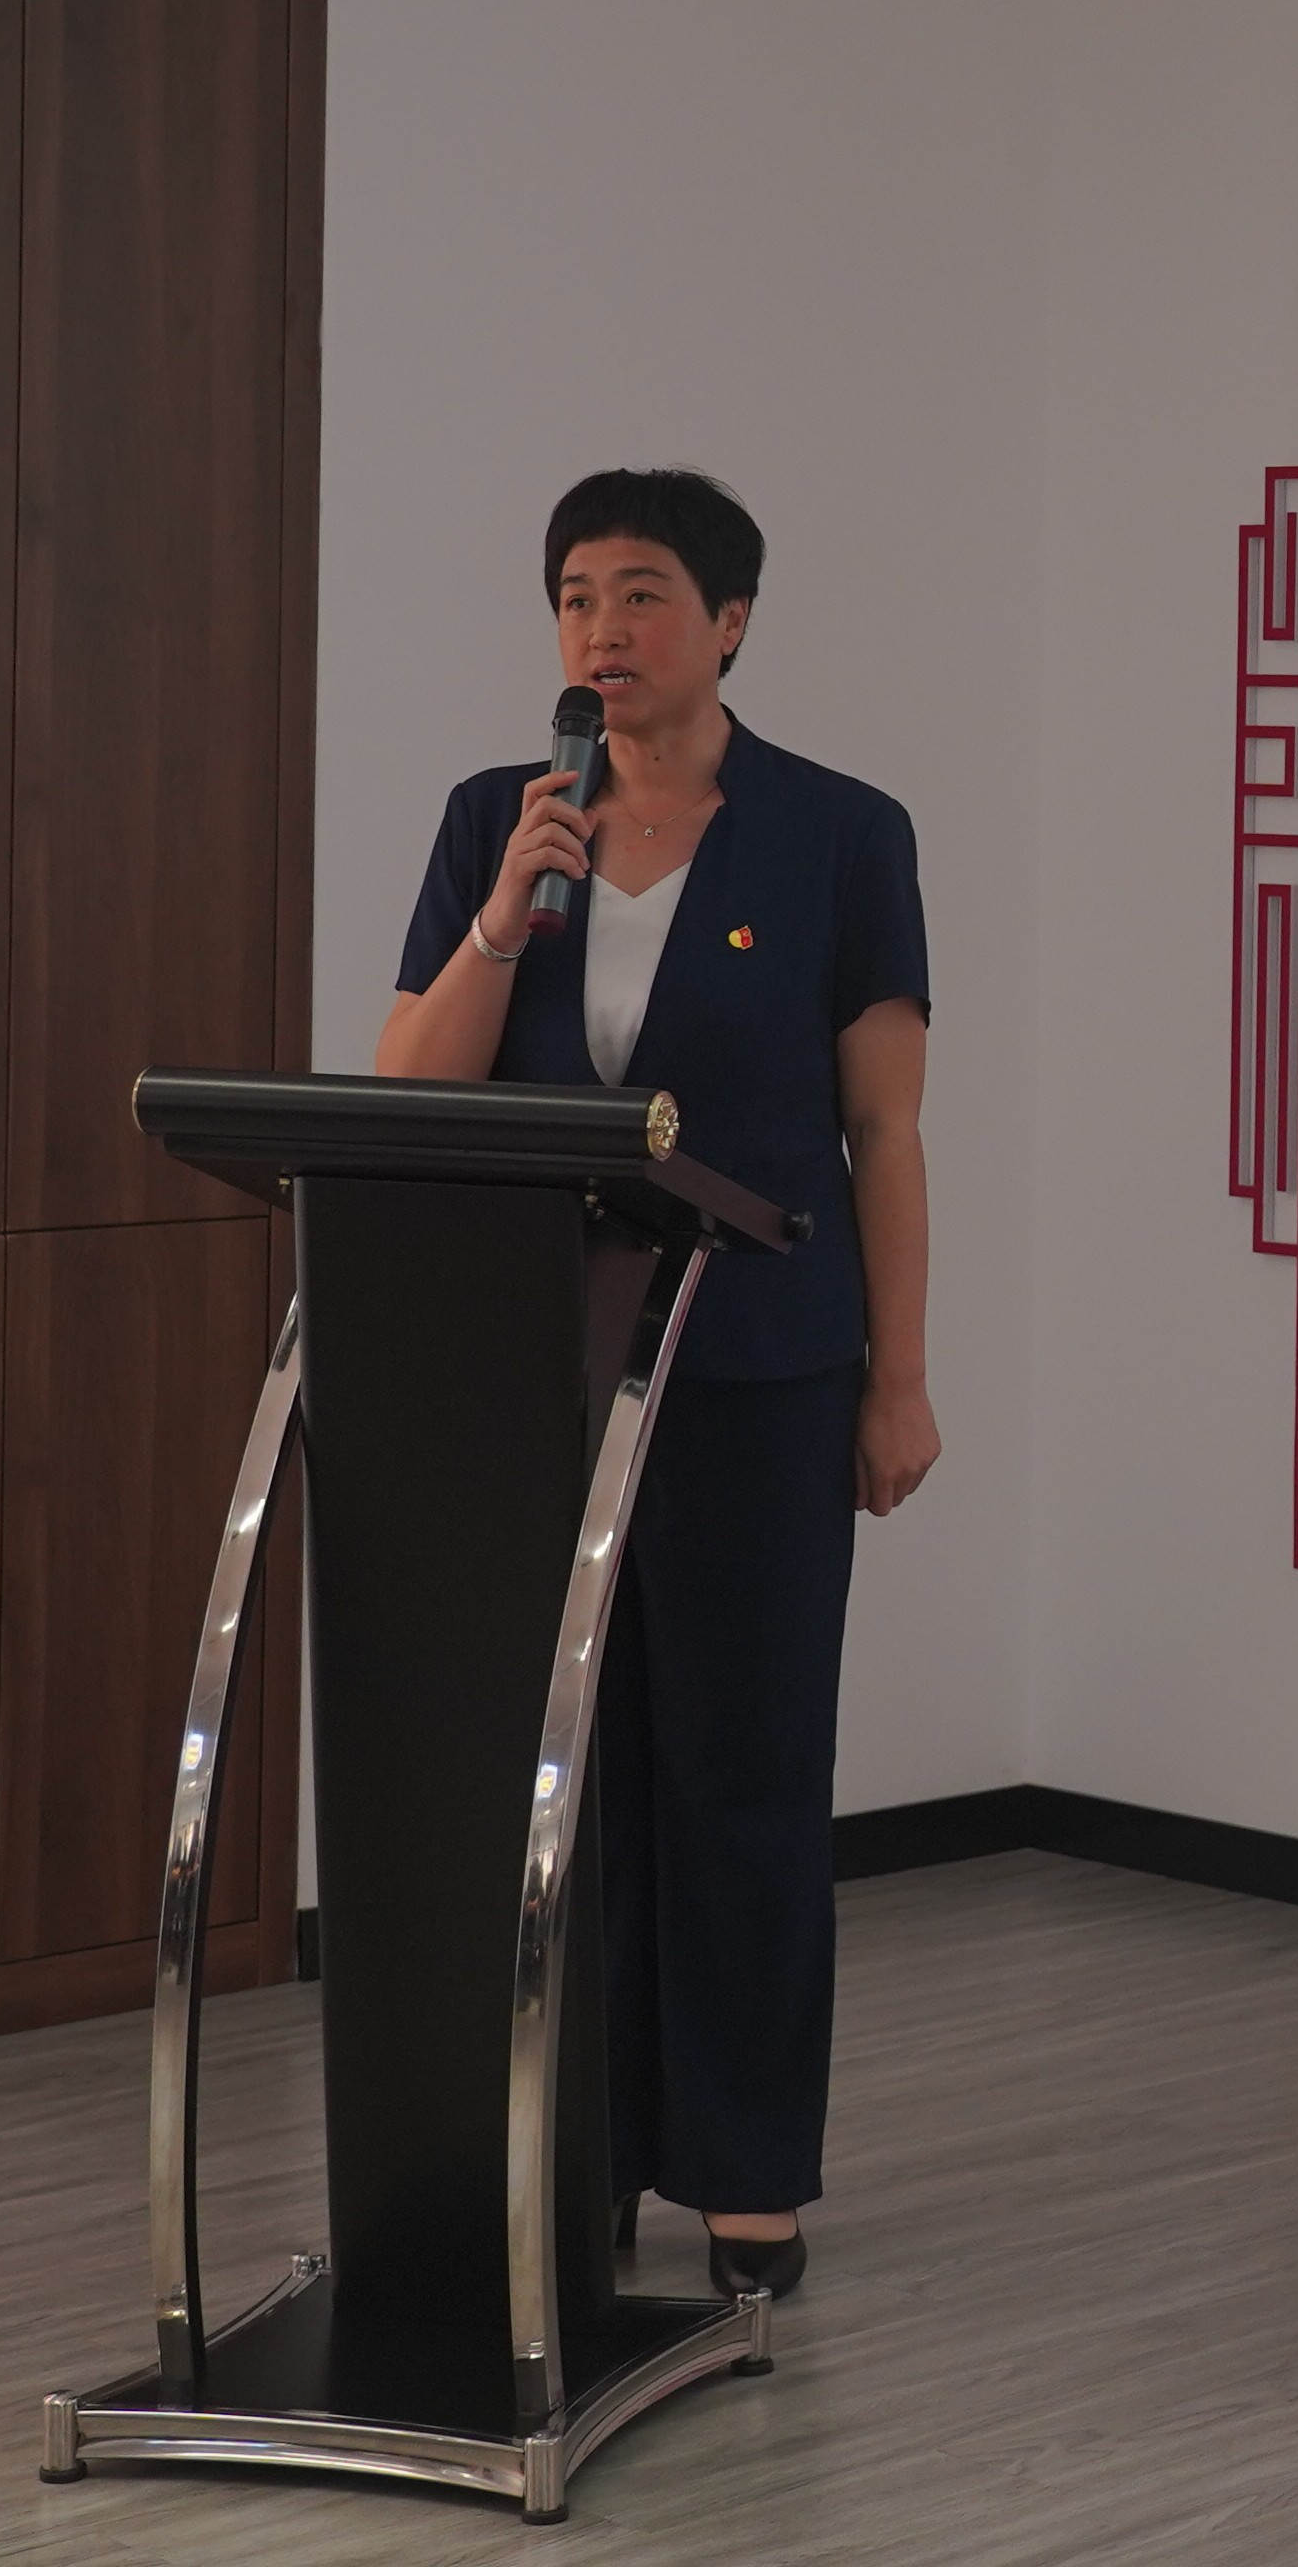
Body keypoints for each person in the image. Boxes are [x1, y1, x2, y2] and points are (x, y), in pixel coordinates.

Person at [376, 467, 934, 2300]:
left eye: (639, 595)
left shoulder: (839, 834)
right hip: (534, 1364)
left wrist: (900, 1379)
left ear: (731, 622)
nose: (599, 632)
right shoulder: (500, 818)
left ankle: (748, 2172)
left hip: (760, 1366)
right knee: (561, 1778)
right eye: (573, 598)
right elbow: (414, 1085)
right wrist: (503, 918)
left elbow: (884, 1132)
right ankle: (585, 2156)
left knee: (745, 1762)